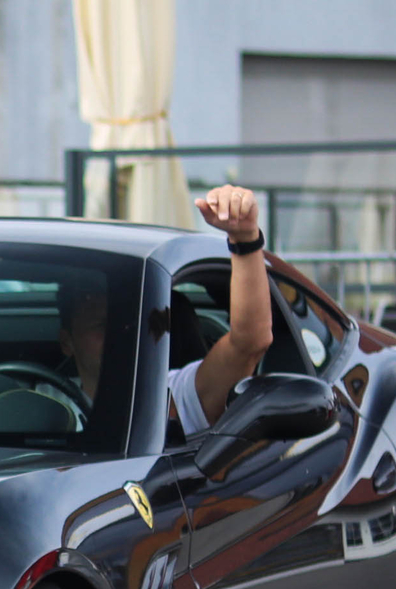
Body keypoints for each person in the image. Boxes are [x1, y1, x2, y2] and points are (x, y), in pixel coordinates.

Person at [55, 183, 277, 432]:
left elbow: (250, 341)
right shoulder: (39, 401)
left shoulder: (176, 393)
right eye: (101, 325)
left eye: (126, 321)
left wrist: (245, 238)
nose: (118, 332)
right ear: (67, 342)